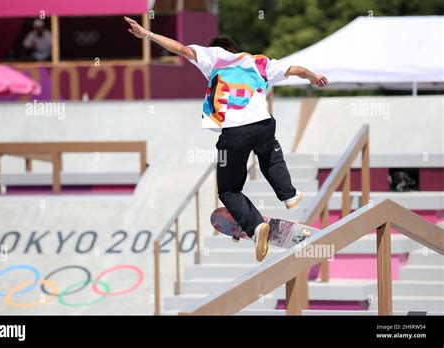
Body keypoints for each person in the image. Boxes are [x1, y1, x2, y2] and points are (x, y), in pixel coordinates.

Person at [124, 16, 328, 262]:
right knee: (269, 157)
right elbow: (298, 70)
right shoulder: (258, 62)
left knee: (229, 189)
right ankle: (289, 195)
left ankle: (255, 227)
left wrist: (147, 34)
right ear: (237, 50)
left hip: (234, 135)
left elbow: (179, 48)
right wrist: (313, 77)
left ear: (217, 49)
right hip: (264, 125)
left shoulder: (212, 57)